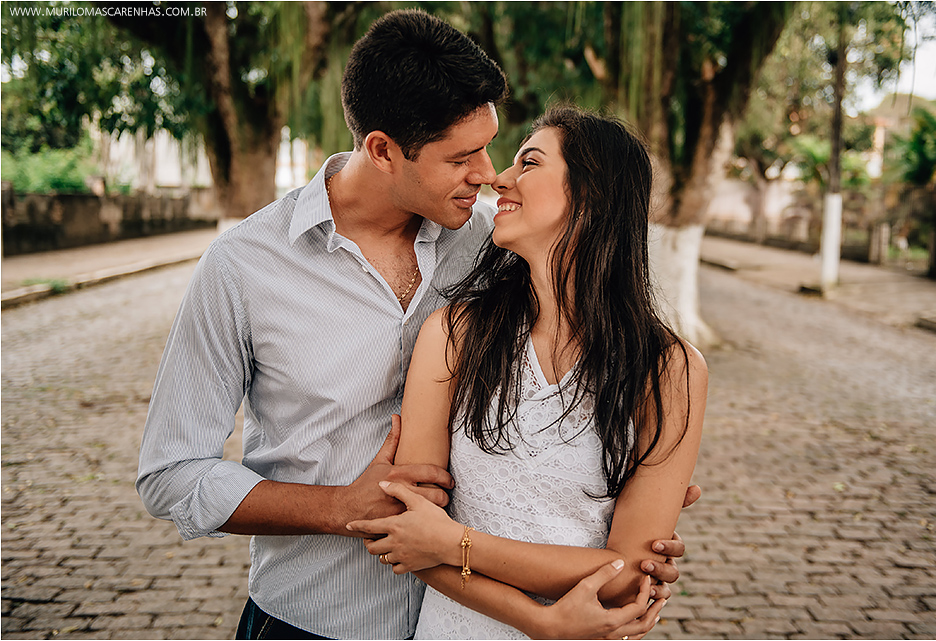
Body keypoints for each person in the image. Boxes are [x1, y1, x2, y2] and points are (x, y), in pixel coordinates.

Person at [136, 10, 695, 640]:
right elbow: (171, 474)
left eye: (490, 146)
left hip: (480, 617)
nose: (486, 173)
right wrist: (339, 509)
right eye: (462, 156)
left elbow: (582, 370)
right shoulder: (243, 266)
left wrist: (624, 466)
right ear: (381, 150)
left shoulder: (495, 246)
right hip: (316, 618)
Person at [346, 106, 708, 639]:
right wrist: (541, 620)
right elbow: (410, 535)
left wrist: (454, 543)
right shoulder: (455, 334)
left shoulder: (668, 369)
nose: (499, 178)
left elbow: (628, 575)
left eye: (529, 163)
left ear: (591, 195)